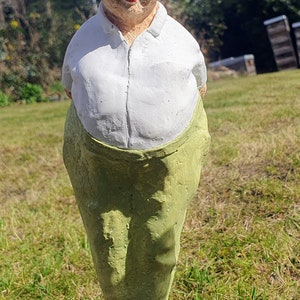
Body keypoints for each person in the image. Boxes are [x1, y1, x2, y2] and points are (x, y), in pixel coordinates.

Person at [62, 0, 210, 299]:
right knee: (107, 244)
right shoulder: (82, 40)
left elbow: (199, 86)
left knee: (160, 241)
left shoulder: (181, 41)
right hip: (98, 161)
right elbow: (70, 87)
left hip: (168, 162)